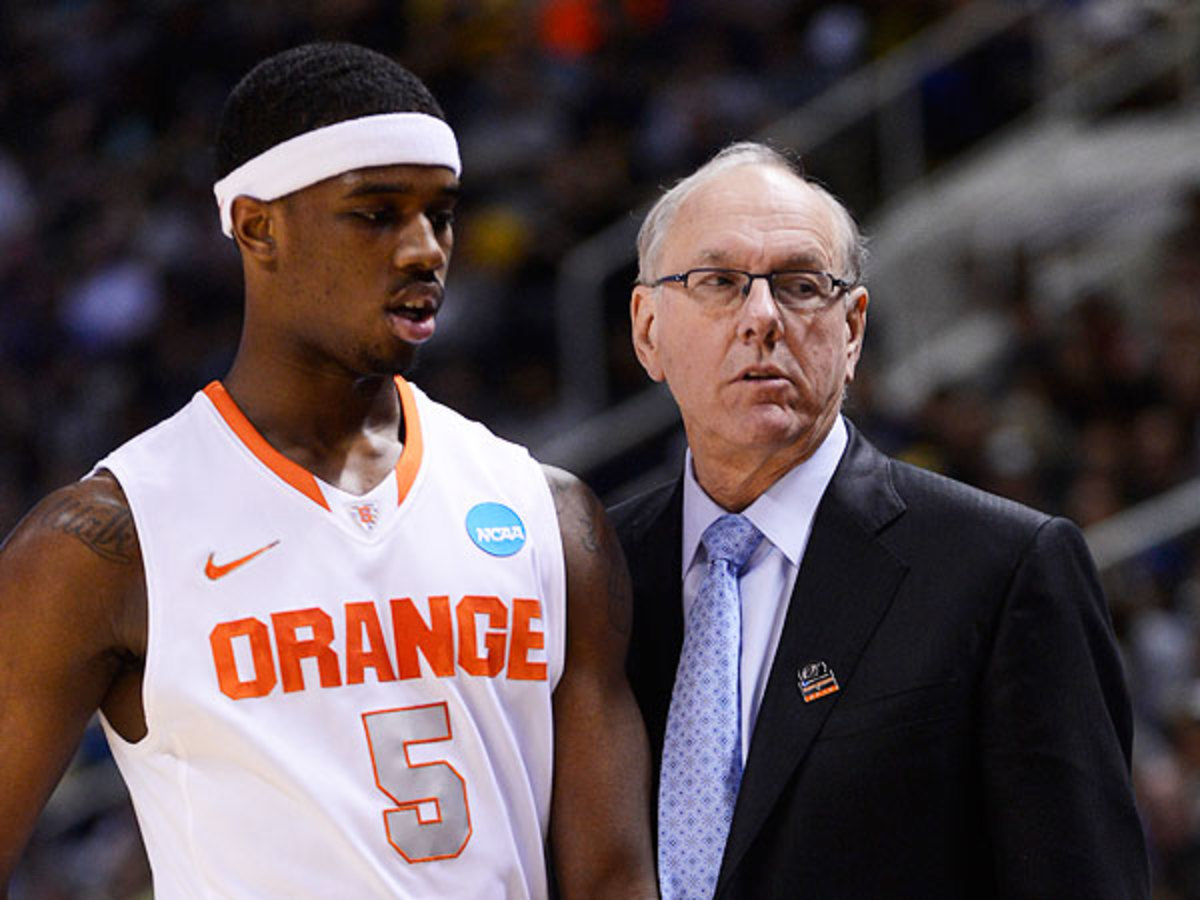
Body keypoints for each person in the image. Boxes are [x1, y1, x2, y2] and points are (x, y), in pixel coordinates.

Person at [0, 42, 656, 899]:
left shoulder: (549, 514)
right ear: (257, 226)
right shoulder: (107, 542)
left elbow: (613, 878)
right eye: (377, 213)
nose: (426, 248)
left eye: (442, 214)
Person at [609, 141, 1149, 899]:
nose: (761, 318)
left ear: (853, 329)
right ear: (647, 329)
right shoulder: (594, 571)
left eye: (799, 285)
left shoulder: (1004, 568)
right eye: (719, 282)